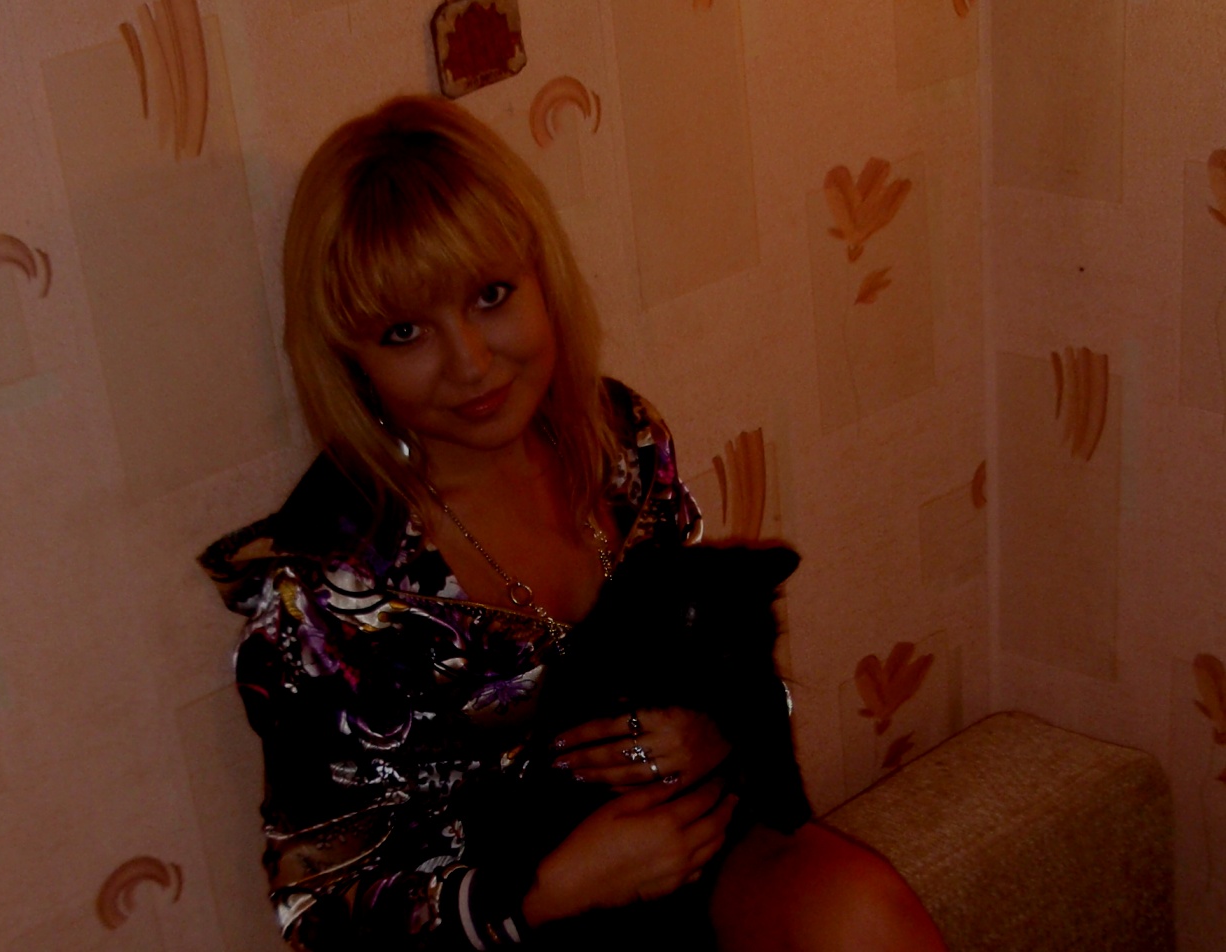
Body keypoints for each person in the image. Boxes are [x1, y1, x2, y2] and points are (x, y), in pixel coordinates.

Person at [199, 95, 947, 951]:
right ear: (349, 358)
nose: (470, 363)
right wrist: (548, 892)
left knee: (859, 909)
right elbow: (324, 911)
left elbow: (730, 650)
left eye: (491, 296)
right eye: (405, 332)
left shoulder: (618, 440)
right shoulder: (331, 588)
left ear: (541, 275)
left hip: (692, 860)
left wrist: (717, 735)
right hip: (506, 928)